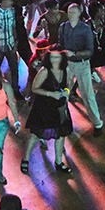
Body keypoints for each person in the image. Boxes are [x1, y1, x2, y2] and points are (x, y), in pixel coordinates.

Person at [21, 48, 74, 176]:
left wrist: (66, 91)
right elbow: (34, 88)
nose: (55, 60)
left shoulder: (66, 70)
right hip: (43, 107)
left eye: (57, 57)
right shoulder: (44, 71)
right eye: (52, 57)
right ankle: (26, 159)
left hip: (59, 106)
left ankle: (59, 162)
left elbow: (69, 84)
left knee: (61, 134)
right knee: (36, 134)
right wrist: (51, 93)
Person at [57, 3, 102, 134]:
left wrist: (74, 54)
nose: (70, 15)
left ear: (79, 13)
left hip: (82, 64)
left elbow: (89, 51)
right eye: (69, 12)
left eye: (73, 12)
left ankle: (97, 124)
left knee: (88, 94)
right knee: (63, 93)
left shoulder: (85, 29)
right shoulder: (63, 27)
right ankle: (62, 121)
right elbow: (60, 44)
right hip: (68, 64)